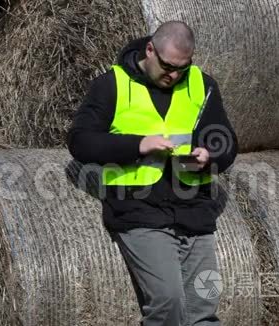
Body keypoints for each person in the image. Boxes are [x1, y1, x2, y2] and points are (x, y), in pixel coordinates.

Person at [67, 21, 238, 326]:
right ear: (150, 50)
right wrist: (139, 144)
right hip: (139, 211)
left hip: (194, 211)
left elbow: (225, 141)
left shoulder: (203, 85)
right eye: (168, 66)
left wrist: (210, 155)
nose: (174, 75)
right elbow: (80, 141)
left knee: (203, 307)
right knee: (168, 301)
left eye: (182, 69)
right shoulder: (112, 85)